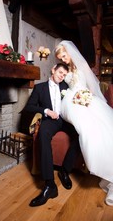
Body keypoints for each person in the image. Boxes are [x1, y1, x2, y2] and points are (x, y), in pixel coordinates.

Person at [55, 40, 113, 206]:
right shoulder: (63, 69)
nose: (64, 60)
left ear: (70, 52)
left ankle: (107, 168)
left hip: (85, 99)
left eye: (64, 56)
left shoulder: (82, 66)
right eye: (60, 58)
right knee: (86, 129)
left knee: (101, 128)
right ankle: (74, 168)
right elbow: (60, 83)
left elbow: (92, 88)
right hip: (70, 103)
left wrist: (87, 98)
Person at [24, 63, 80, 207]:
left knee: (81, 134)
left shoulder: (66, 88)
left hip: (65, 120)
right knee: (43, 133)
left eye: (64, 75)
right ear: (53, 69)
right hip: (51, 120)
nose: (61, 76)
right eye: (60, 72)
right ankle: (50, 185)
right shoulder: (40, 88)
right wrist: (46, 111)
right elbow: (29, 107)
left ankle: (64, 171)